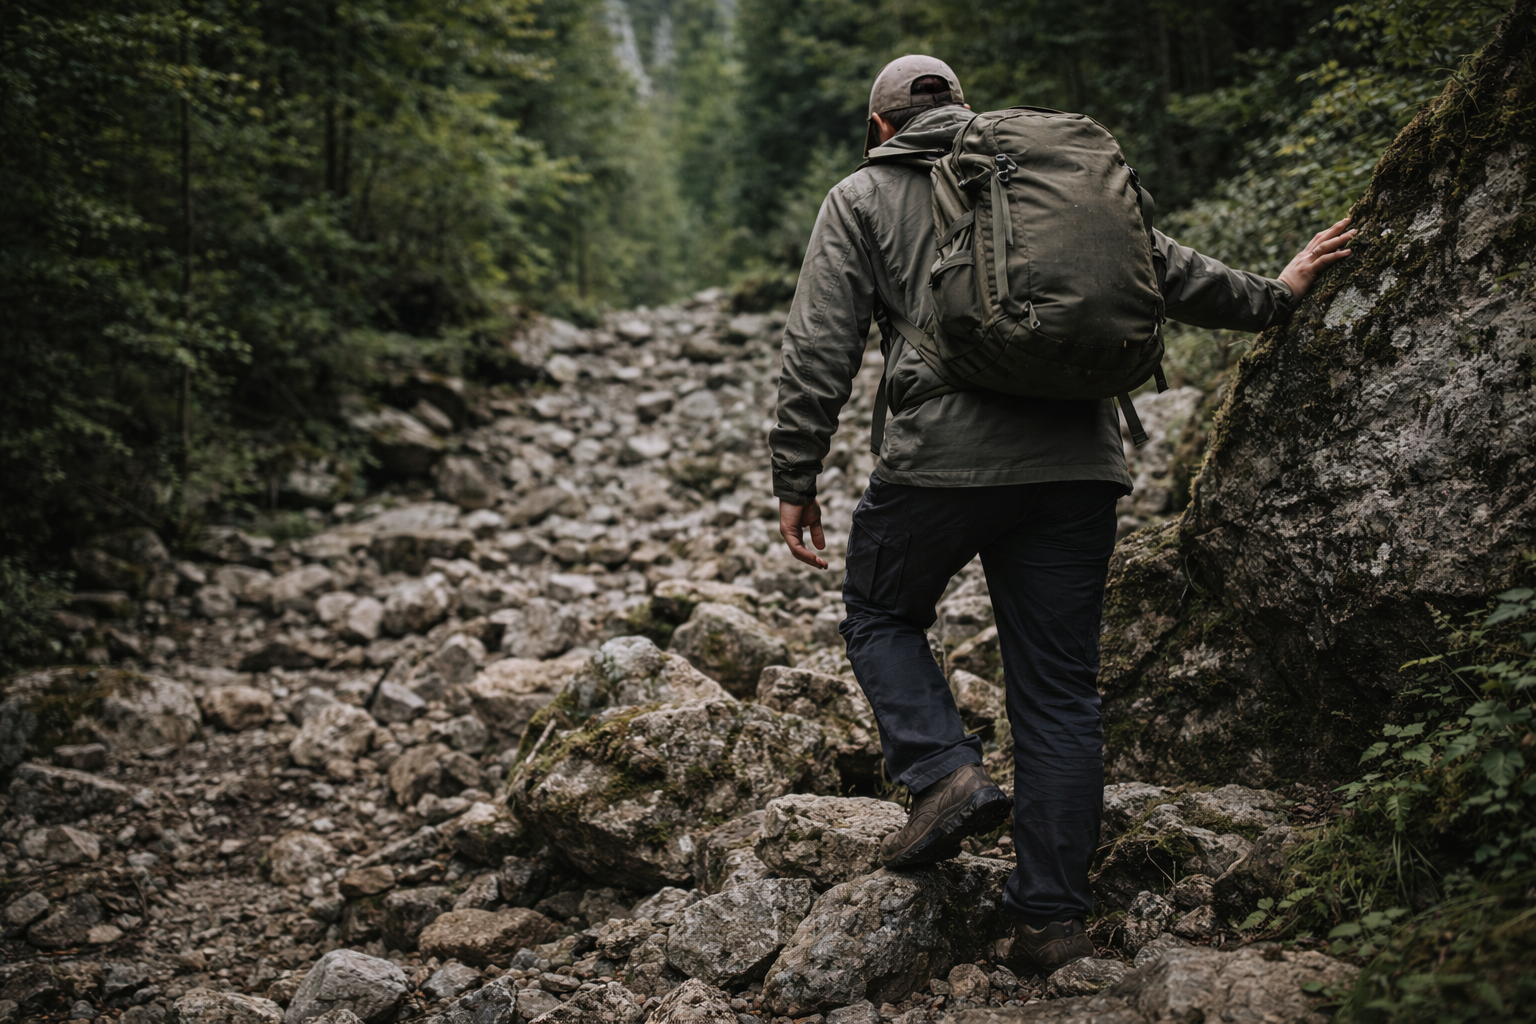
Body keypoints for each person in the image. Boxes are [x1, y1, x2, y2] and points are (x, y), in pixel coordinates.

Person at [769, 54, 1354, 974]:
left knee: (881, 611)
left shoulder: (861, 197)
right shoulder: (1041, 176)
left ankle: (941, 770)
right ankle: (1050, 921)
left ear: (880, 128)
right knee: (1058, 694)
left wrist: (794, 473)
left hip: (939, 470)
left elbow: (819, 347)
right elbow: (1162, 270)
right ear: (965, 108)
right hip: (1080, 468)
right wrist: (1277, 296)